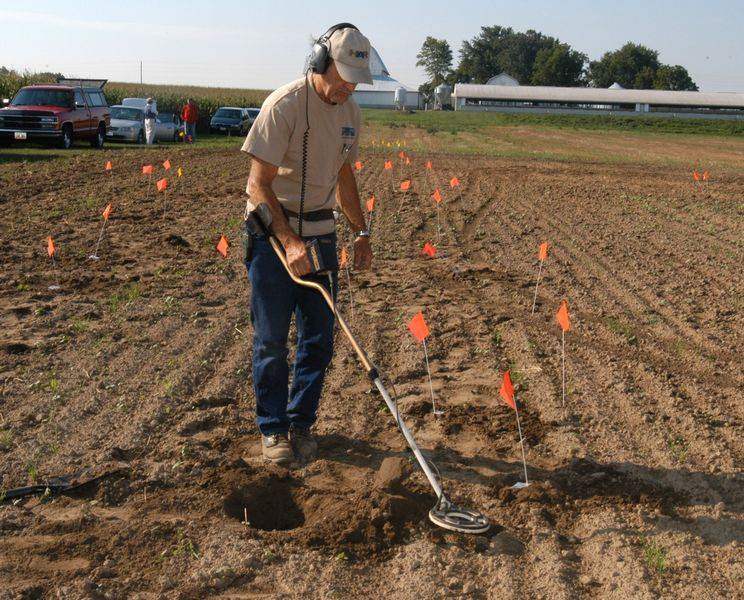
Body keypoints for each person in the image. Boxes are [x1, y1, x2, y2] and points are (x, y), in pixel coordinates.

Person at [241, 24, 374, 465]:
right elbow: (257, 187)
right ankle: (273, 430)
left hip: (321, 236)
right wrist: (288, 240)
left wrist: (360, 232)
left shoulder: (351, 112)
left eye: (357, 79)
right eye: (343, 76)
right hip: (273, 239)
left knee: (319, 338)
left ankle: (300, 422)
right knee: (272, 340)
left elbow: (344, 176)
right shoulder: (283, 106)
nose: (349, 87)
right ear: (319, 62)